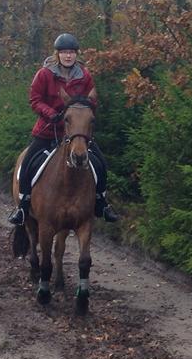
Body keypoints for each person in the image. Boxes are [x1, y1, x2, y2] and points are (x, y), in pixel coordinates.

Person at [8, 33, 119, 225]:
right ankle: (23, 206)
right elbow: (35, 100)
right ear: (57, 54)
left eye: (72, 52)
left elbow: (92, 101)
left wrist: (81, 115)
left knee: (100, 162)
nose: (68, 56)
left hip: (77, 133)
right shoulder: (44, 74)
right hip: (48, 130)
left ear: (76, 54)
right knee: (27, 163)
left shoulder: (84, 75)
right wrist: (51, 114)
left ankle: (101, 202)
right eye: (64, 52)